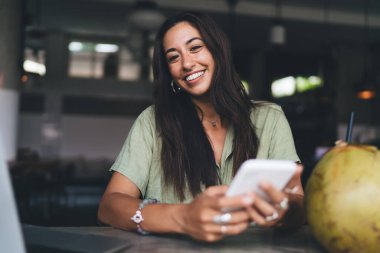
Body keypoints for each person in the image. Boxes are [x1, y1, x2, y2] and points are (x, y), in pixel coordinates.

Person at [98, 11, 304, 242]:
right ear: (169, 73)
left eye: (195, 48)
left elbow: (297, 203)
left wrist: (285, 210)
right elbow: (109, 206)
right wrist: (183, 217)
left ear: (218, 51)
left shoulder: (270, 118)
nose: (187, 63)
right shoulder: (153, 122)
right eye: (174, 58)